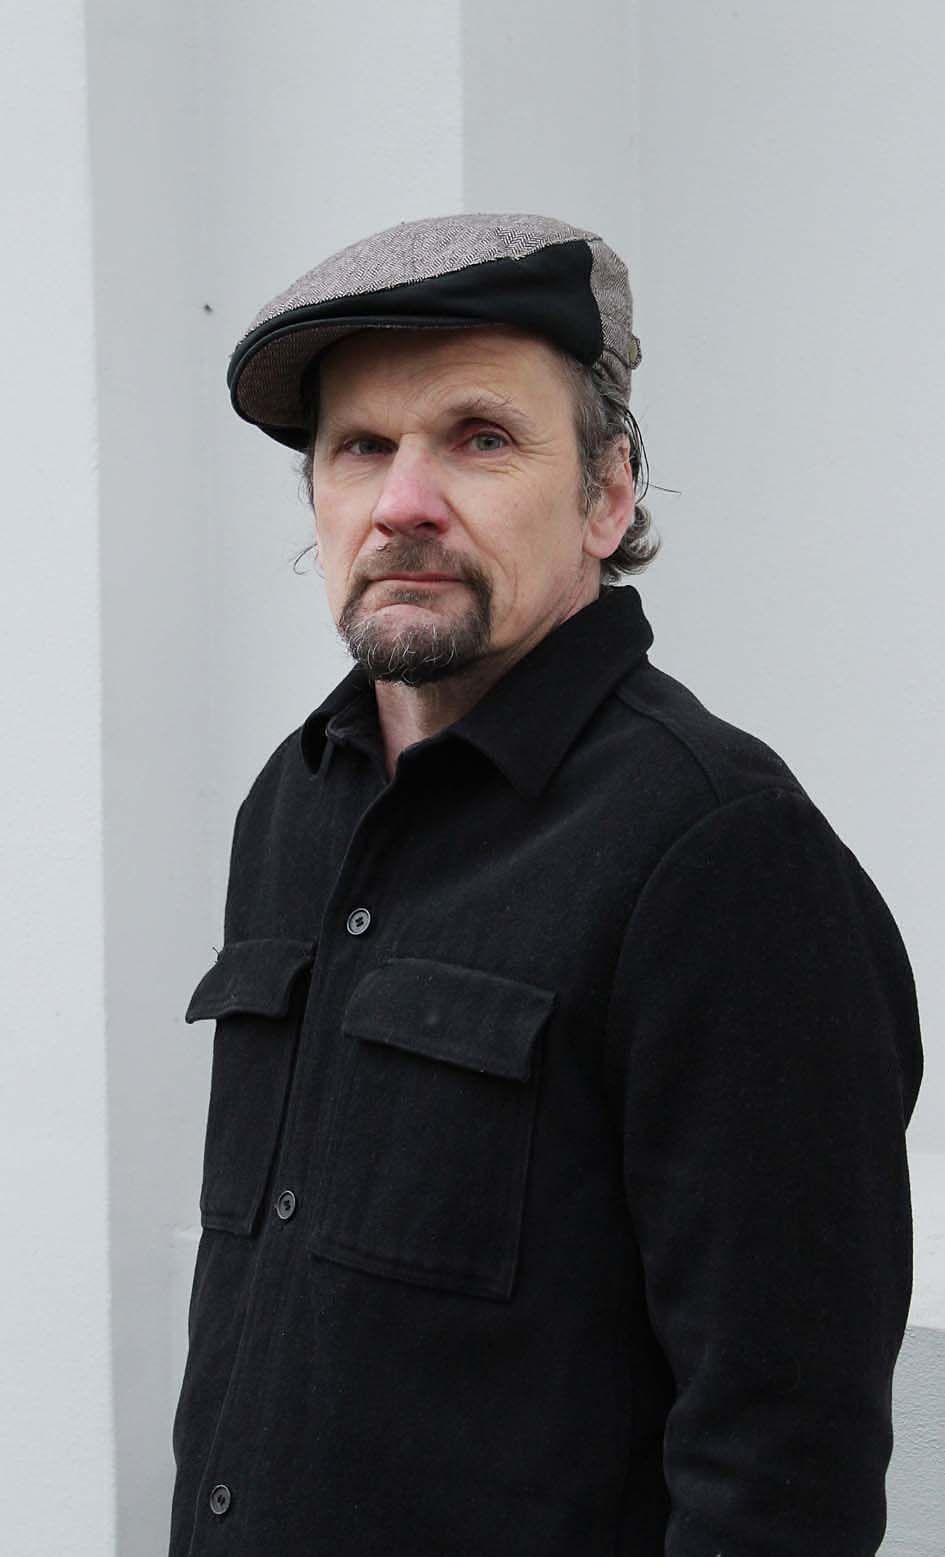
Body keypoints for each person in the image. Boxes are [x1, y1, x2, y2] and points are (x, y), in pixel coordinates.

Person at [168, 211, 923, 1557]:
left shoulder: (722, 853)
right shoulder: (290, 804)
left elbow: (781, 1461)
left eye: (479, 437)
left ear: (607, 493)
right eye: (360, 447)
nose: (403, 502)